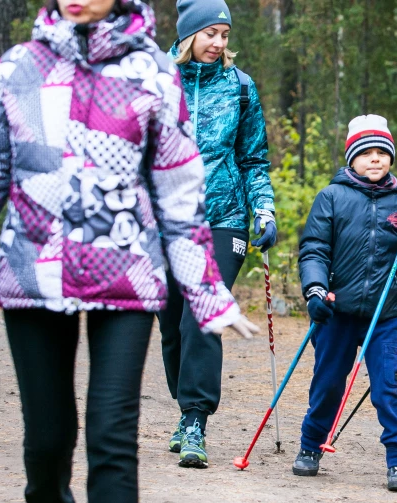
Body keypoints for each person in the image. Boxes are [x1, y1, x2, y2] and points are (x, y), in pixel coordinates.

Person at [0, 0, 259, 503]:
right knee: (47, 439)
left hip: (125, 273)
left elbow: (177, 192)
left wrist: (207, 291)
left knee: (111, 439)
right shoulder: (19, 67)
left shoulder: (152, 71)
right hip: (35, 272)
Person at [159, 0, 277, 469]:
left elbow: (254, 159)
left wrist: (263, 209)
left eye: (225, 34)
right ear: (189, 35)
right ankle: (184, 405)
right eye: (211, 33)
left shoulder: (242, 88)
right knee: (172, 324)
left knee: (200, 314)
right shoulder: (157, 83)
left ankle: (195, 419)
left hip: (224, 218)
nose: (220, 43)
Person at [293, 115, 397, 492]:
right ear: (351, 157)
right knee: (329, 384)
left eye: (381, 153)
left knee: (389, 386)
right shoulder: (332, 197)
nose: (374, 159)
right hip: (336, 311)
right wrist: (315, 291)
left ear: (391, 158)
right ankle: (310, 445)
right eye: (365, 153)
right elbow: (314, 250)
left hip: (383, 316)